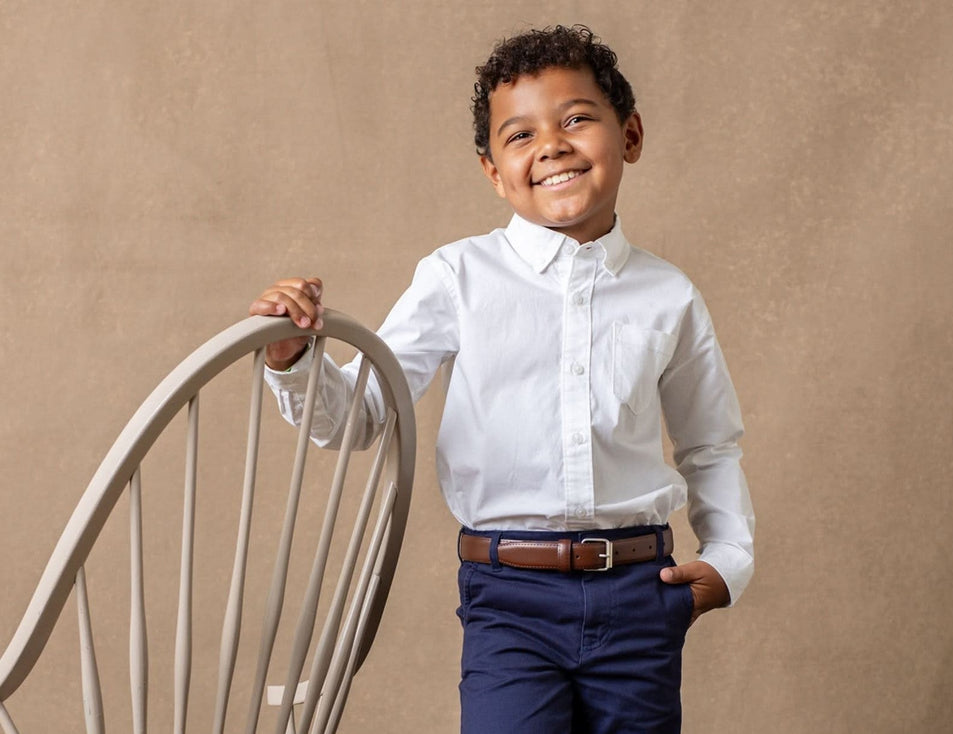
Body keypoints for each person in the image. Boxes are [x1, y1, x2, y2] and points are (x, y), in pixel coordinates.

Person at [250, 24, 754, 734]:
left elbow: (711, 443)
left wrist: (730, 559)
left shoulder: (668, 294)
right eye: (520, 135)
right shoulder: (457, 277)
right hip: (509, 597)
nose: (551, 144)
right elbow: (358, 415)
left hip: (641, 594)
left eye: (577, 118)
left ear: (630, 134)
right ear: (493, 171)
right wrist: (293, 361)